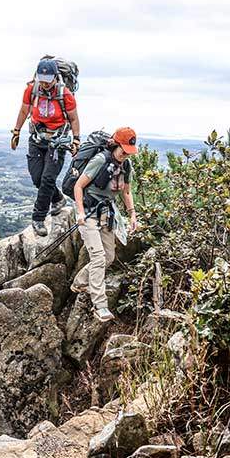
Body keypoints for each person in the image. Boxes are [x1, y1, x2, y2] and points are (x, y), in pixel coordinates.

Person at [71, 127, 139, 322]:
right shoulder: (100, 160)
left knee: (108, 256)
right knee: (99, 257)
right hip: (89, 212)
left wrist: (132, 215)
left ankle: (80, 282)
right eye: (123, 150)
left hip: (107, 213)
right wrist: (81, 213)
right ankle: (99, 306)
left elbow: (126, 192)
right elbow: (78, 186)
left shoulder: (126, 166)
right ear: (115, 145)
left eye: (128, 152)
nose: (125, 155)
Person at [11, 58, 81, 237]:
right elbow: (24, 111)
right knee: (37, 178)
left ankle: (38, 218)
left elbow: (74, 119)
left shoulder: (65, 94)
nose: (44, 84)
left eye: (47, 81)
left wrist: (76, 140)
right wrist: (16, 132)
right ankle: (58, 199)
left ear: (55, 78)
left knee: (48, 179)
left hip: (57, 141)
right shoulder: (31, 89)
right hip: (36, 138)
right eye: (41, 80)